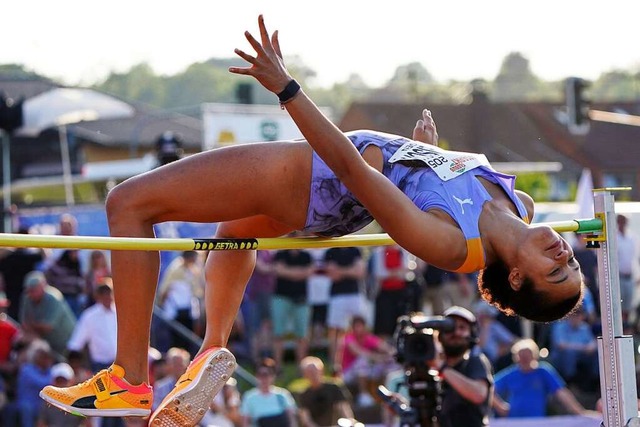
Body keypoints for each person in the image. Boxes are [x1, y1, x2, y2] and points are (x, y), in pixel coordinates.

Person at [41, 16, 584, 427]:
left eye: (556, 272)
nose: (565, 255)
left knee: (128, 204)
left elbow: (351, 167)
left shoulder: (450, 246)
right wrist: (422, 156)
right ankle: (209, 352)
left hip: (319, 177)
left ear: (516, 278)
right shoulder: (521, 207)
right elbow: (419, 184)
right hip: (326, 184)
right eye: (573, 262)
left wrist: (287, 89)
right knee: (234, 233)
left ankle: (130, 377)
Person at [493, 338, 597, 418]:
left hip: (537, 421)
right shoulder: (512, 373)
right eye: (521, 356)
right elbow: (489, 386)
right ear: (516, 358)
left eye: (527, 356)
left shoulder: (543, 371)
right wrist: (500, 407)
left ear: (534, 356)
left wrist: (580, 412)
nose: (524, 360)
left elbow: (561, 393)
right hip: (515, 421)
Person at [434, 306, 493, 427]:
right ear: (440, 335)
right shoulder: (433, 368)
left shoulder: (475, 362)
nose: (456, 333)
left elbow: (478, 394)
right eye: (449, 328)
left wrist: (442, 368)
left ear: (471, 333)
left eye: (462, 328)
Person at [338, 315, 396, 407]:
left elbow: (386, 348)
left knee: (391, 364)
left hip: (368, 371)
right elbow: (360, 353)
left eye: (360, 326)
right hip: (347, 374)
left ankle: (390, 394)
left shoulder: (368, 337)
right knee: (363, 361)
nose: (358, 329)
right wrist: (380, 358)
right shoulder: (348, 338)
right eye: (356, 326)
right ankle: (363, 394)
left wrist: (391, 355)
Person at [270, 248, 314, 369]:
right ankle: (277, 367)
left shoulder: (306, 255)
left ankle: (302, 368)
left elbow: (309, 272)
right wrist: (300, 272)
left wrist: (287, 271)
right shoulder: (280, 253)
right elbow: (279, 271)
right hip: (281, 297)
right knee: (278, 334)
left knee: (301, 335)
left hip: (301, 299)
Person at [19, 271, 76, 356]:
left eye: (34, 290)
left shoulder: (54, 298)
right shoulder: (27, 297)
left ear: (43, 286)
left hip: (66, 343)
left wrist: (32, 326)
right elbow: (24, 324)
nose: (31, 293)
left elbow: (47, 327)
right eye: (29, 290)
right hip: (45, 344)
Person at [66, 279, 117, 372]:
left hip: (121, 365)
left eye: (108, 292)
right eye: (103, 293)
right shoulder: (89, 316)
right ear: (98, 296)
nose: (107, 296)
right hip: (100, 366)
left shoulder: (121, 313)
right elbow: (77, 342)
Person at [297, 356, 354, 427]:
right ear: (305, 375)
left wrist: (350, 421)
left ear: (322, 370)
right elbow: (306, 419)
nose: (313, 374)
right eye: (310, 372)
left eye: (315, 371)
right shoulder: (304, 394)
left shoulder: (334, 387)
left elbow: (343, 408)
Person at [239, 358, 298, 427]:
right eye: (260, 374)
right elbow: (245, 422)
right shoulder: (249, 397)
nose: (264, 378)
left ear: (273, 376)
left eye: (266, 374)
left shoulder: (283, 394)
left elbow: (292, 420)